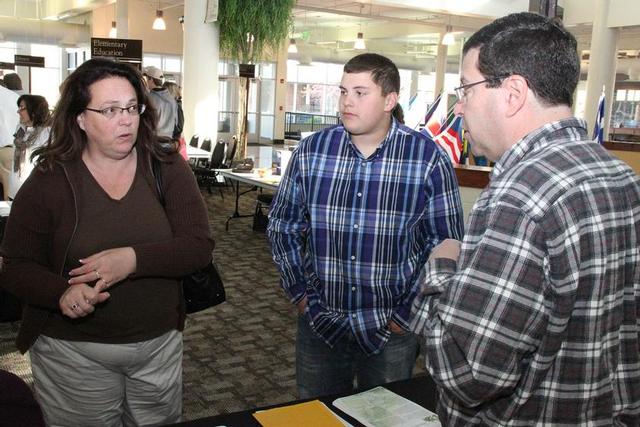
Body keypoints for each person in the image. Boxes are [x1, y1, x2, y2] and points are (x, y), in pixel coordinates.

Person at [410, 12, 640, 426]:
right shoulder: (619, 175)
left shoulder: (520, 194)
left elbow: (467, 374)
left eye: (465, 87)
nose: (459, 105)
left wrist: (443, 266)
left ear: (513, 92)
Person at [0, 58, 214, 426]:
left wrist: (132, 260)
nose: (127, 119)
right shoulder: (51, 178)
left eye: (132, 107)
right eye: (110, 110)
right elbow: (16, 265)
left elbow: (198, 245)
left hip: (158, 346)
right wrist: (61, 293)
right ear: (80, 118)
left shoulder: (165, 166)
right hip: (73, 352)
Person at [268, 53, 464, 399]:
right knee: (317, 418)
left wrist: (404, 315)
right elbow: (283, 226)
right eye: (344, 91)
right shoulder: (313, 151)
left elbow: (445, 244)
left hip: (391, 329)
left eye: (360, 93)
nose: (347, 102)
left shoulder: (427, 158)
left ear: (390, 100)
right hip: (320, 321)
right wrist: (300, 295)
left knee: (384, 417)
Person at [9, 94, 51, 199]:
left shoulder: (47, 132)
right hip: (15, 187)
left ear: (34, 110)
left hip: (36, 190)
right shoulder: (20, 129)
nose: (18, 112)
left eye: (22, 108)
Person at [143, 65, 178, 145]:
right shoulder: (172, 99)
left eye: (147, 79)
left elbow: (146, 122)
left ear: (151, 79)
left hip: (153, 142)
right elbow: (176, 124)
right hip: (168, 142)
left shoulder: (149, 99)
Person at [163, 81, 187, 160]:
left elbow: (179, 127)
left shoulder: (176, 106)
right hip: (172, 143)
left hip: (174, 144)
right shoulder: (171, 106)